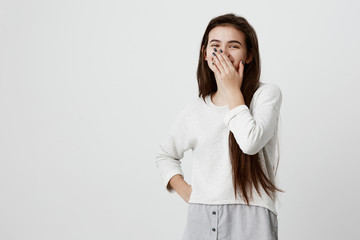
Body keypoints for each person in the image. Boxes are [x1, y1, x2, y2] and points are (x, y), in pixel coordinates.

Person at [155, 13, 283, 240]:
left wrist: (232, 91)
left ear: (249, 55)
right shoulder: (196, 109)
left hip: (252, 216)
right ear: (205, 54)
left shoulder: (266, 95)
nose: (223, 53)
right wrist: (189, 193)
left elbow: (250, 142)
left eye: (233, 46)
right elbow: (165, 155)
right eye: (215, 46)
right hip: (201, 217)